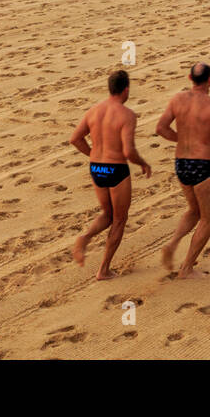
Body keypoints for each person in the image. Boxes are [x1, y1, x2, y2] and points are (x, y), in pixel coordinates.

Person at [69, 69, 151, 280]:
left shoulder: (93, 111)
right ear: (126, 90)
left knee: (107, 214)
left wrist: (94, 155)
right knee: (119, 219)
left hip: (97, 168)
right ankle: (103, 270)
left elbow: (75, 139)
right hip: (116, 169)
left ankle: (85, 238)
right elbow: (128, 152)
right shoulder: (127, 115)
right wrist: (143, 163)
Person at [155, 63, 210, 278]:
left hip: (181, 164)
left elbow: (160, 128)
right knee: (208, 218)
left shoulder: (178, 99)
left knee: (194, 210)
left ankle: (172, 244)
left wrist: (181, 139)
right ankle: (186, 268)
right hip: (201, 166)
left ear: (190, 77)